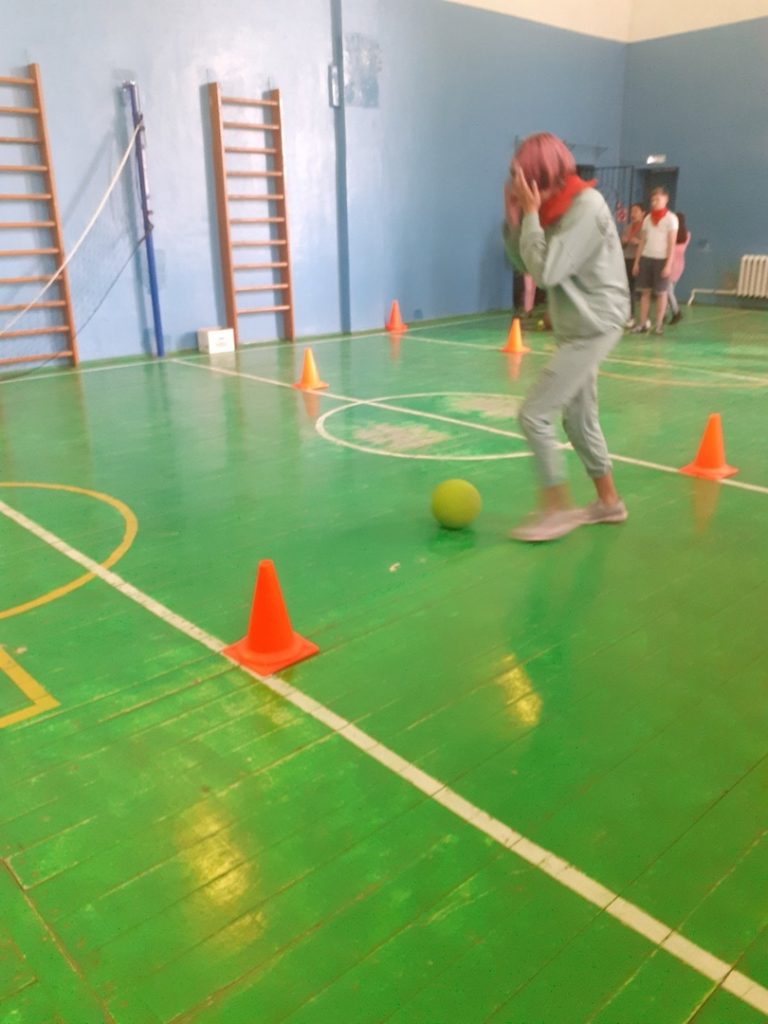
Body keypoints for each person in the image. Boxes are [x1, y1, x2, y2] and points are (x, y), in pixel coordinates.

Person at [502, 132, 629, 543]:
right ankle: (609, 502)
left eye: (524, 180)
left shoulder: (586, 207)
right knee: (578, 419)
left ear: (544, 178)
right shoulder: (550, 210)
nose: (519, 187)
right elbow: (524, 261)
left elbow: (546, 272)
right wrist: (516, 219)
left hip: (596, 324)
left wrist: (531, 215)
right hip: (576, 326)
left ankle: (556, 509)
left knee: (534, 414)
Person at [632, 187, 679, 336]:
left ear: (666, 200)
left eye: (658, 199)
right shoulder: (647, 219)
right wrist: (637, 262)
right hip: (646, 258)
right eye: (652, 200)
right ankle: (642, 323)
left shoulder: (671, 219)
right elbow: (642, 242)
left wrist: (668, 264)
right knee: (644, 293)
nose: (654, 202)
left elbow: (672, 243)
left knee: (661, 293)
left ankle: (658, 325)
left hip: (662, 260)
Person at [620, 203, 644, 328]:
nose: (633, 214)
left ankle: (636, 317)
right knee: (626, 288)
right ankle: (627, 314)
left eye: (636, 211)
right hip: (627, 259)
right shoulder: (628, 227)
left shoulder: (645, 228)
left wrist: (638, 242)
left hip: (638, 260)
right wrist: (623, 241)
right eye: (632, 211)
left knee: (636, 289)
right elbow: (622, 246)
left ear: (643, 213)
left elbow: (648, 244)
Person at [667, 212, 690, 325]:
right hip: (680, 264)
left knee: (667, 290)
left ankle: (676, 312)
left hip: (671, 263)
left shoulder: (671, 234)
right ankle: (664, 314)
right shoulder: (687, 235)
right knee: (669, 290)